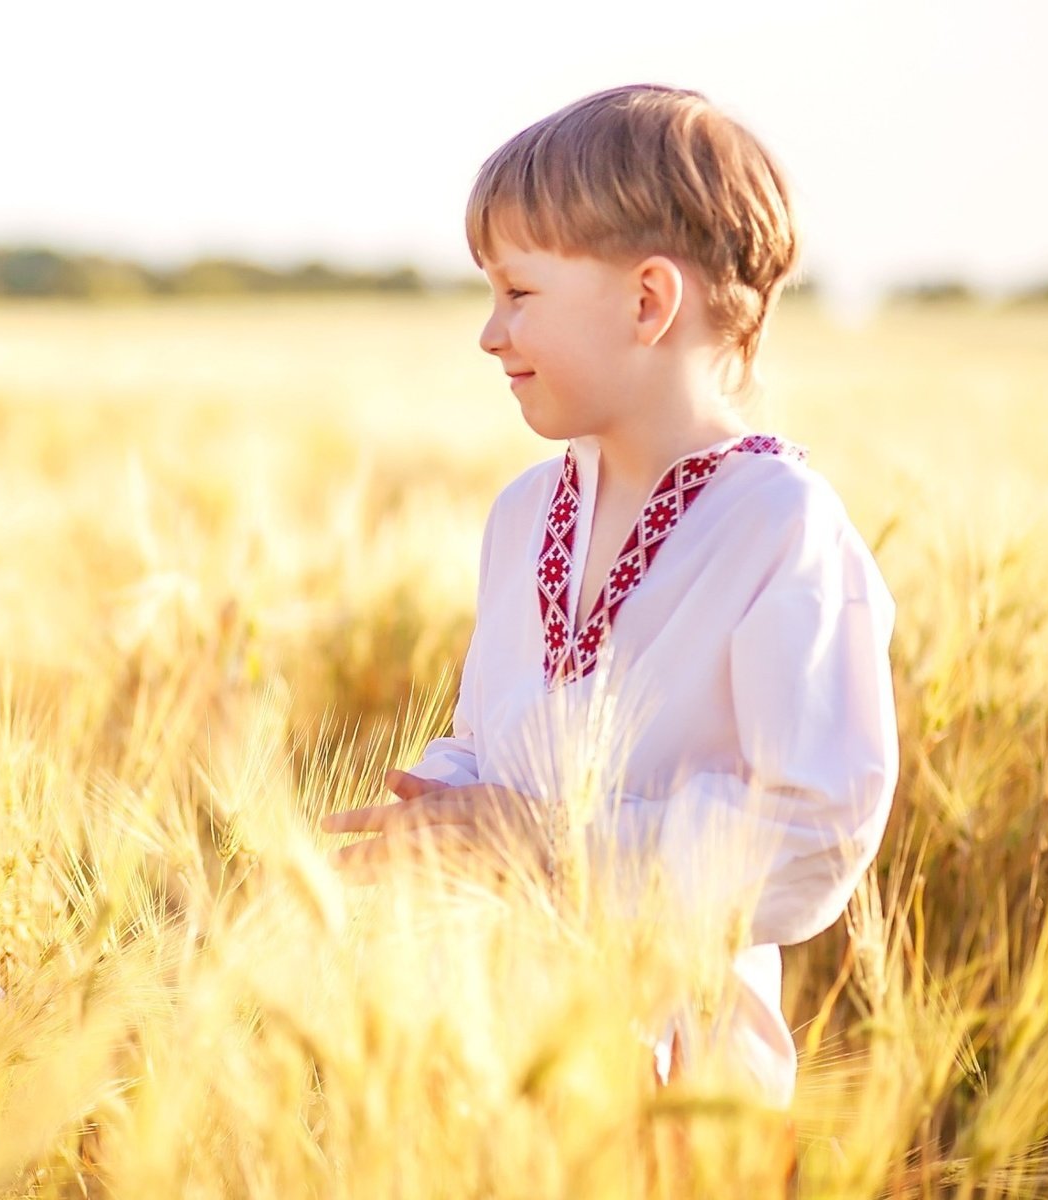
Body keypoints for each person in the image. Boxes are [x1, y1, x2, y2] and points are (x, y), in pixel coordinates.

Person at [321, 86, 896, 1106]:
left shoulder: (781, 526)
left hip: (681, 1101)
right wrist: (441, 809)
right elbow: (500, 738)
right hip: (494, 1070)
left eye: (519, 293)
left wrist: (547, 844)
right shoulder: (523, 514)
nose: (490, 333)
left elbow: (814, 836)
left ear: (646, 302)